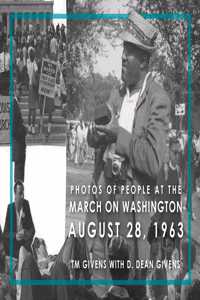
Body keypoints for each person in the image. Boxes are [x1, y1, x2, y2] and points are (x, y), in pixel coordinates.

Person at [87, 9, 170, 297]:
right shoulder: (117, 93)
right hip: (104, 201)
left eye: (129, 53)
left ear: (145, 61)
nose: (122, 57)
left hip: (132, 211)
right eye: (123, 50)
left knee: (131, 283)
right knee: (100, 279)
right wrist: (94, 133)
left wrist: (116, 135)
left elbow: (153, 159)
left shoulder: (158, 100)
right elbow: (97, 138)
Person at [3, 180, 35, 260]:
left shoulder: (26, 205)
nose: (22, 196)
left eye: (23, 193)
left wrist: (26, 233)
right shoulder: (10, 208)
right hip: (13, 248)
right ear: (15, 194)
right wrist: (15, 235)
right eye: (20, 193)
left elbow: (33, 229)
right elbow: (5, 233)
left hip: (24, 245)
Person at [13, 97, 27, 183]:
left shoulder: (15, 102)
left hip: (18, 140)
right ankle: (18, 187)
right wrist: (24, 130)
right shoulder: (14, 103)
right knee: (19, 163)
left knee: (20, 163)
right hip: (18, 140)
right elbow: (14, 125)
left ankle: (19, 184)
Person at [27, 47, 38, 134]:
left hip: (29, 86)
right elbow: (37, 74)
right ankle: (33, 127)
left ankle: (29, 126)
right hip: (34, 87)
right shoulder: (34, 64)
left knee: (30, 109)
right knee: (33, 109)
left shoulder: (27, 63)